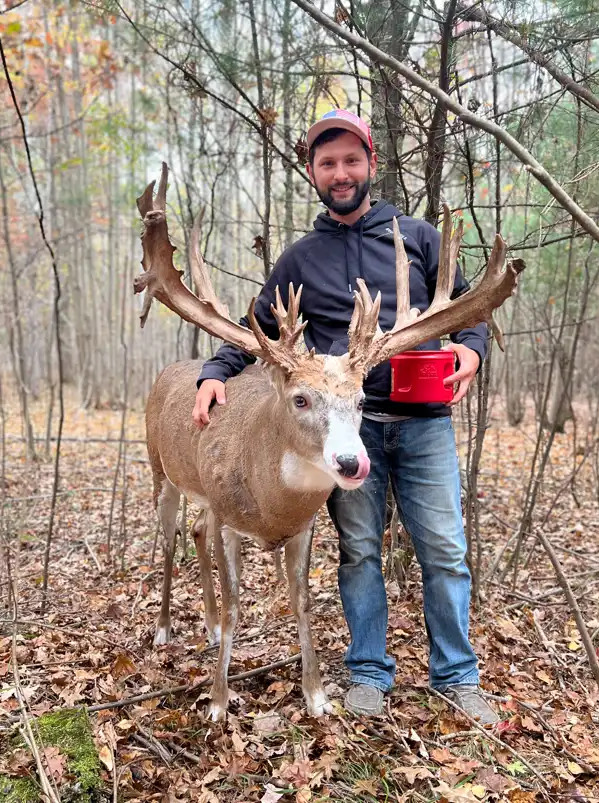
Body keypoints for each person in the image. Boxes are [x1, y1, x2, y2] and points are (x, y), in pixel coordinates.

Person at [192, 109, 498, 724]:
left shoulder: (418, 239)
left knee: (444, 549)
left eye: (351, 161)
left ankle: (458, 677)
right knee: (359, 551)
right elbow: (258, 332)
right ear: (313, 172)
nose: (340, 173)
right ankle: (368, 673)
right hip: (340, 432)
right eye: (327, 163)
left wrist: (471, 346)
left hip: (423, 421)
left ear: (371, 164)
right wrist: (214, 373)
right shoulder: (300, 259)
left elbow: (469, 307)